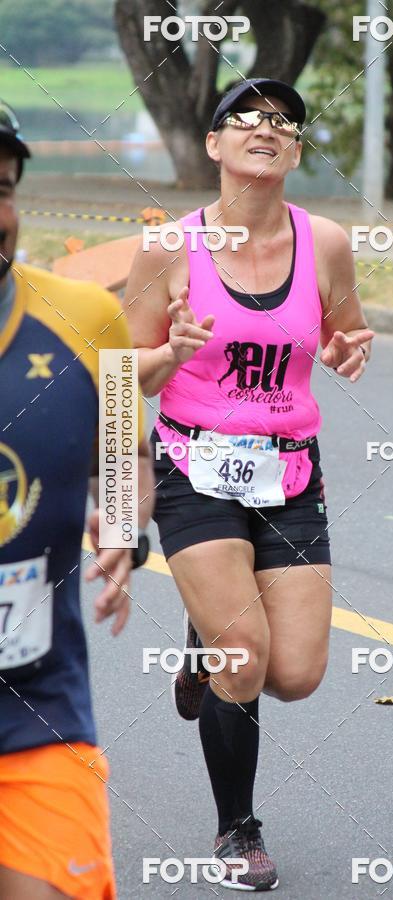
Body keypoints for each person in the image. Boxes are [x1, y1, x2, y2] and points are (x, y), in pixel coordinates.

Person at [123, 77, 374, 891]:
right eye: (249, 118)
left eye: (285, 122)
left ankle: (203, 642)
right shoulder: (167, 250)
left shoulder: (327, 241)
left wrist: (348, 349)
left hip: (291, 474)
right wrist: (172, 352)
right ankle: (238, 829)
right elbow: (126, 375)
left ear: (295, 151)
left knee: (294, 672)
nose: (268, 128)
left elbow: (346, 326)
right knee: (247, 660)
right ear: (215, 145)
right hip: (196, 468)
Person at [0, 100, 155, 899]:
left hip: (37, 711)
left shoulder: (92, 319)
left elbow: (128, 457)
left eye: (1, 187)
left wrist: (125, 532)